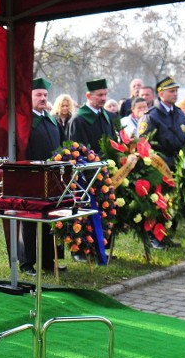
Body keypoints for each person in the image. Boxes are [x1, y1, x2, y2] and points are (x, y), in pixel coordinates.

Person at [19, 78, 62, 274]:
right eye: (38, 95)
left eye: (45, 95)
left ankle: (48, 259)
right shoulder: (24, 122)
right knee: (29, 222)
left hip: (52, 178)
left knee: (50, 219)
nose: (43, 98)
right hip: (30, 178)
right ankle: (27, 262)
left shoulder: (52, 120)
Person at [140, 76, 185, 168]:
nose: (175, 94)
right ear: (161, 94)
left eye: (176, 91)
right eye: (171, 91)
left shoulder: (179, 113)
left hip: (181, 165)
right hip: (160, 167)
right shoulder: (151, 116)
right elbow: (144, 144)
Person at [68, 78, 117, 153]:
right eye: (100, 95)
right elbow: (77, 150)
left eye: (105, 94)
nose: (104, 98)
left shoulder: (106, 116)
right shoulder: (78, 120)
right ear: (88, 96)